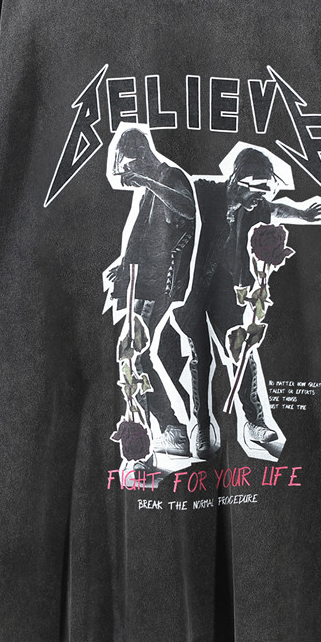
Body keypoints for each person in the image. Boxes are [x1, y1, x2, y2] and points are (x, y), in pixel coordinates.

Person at [172, 147, 321, 457]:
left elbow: (277, 209)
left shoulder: (253, 207)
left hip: (225, 289)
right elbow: (175, 200)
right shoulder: (204, 190)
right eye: (258, 190)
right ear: (238, 181)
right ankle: (202, 426)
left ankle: (254, 422)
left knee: (242, 349)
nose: (261, 197)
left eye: (265, 191)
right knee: (201, 358)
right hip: (190, 288)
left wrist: (302, 214)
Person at [105, 128, 196, 456]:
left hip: (154, 283)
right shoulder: (152, 184)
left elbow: (187, 209)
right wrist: (123, 262)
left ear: (142, 154)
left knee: (134, 354)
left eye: (131, 165)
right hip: (141, 279)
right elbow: (149, 234)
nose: (129, 173)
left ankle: (170, 428)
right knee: (133, 354)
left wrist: (147, 181)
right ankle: (162, 429)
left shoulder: (169, 177)